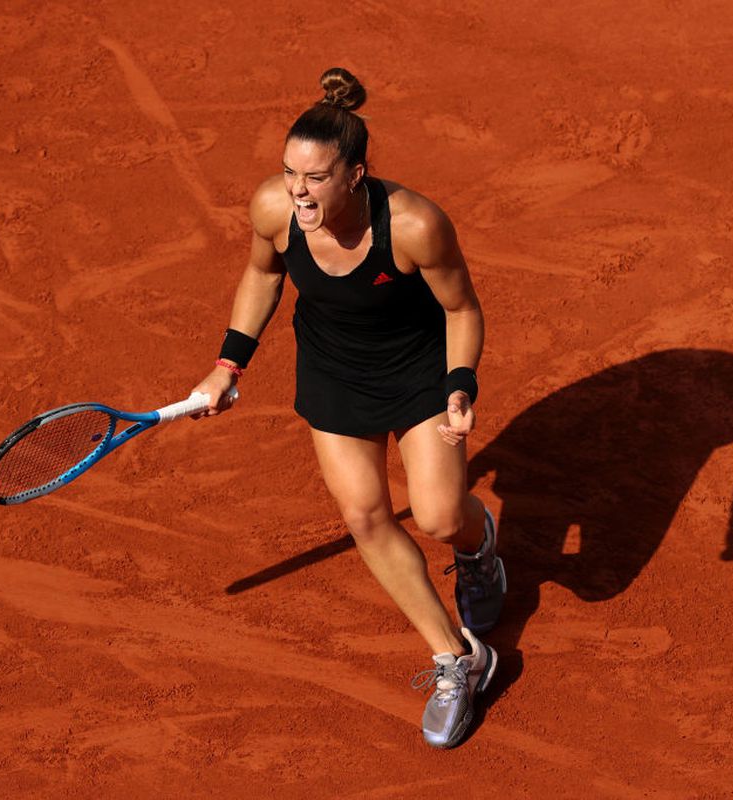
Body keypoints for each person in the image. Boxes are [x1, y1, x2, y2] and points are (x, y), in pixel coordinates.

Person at [191, 67, 505, 748]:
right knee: (366, 515)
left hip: (418, 373)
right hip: (335, 374)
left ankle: (479, 552)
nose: (298, 190)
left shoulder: (416, 225)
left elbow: (461, 308)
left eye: (317, 177)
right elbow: (261, 274)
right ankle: (458, 659)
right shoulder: (275, 210)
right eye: (289, 173)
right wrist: (227, 365)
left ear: (355, 174)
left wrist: (460, 382)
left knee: (439, 515)